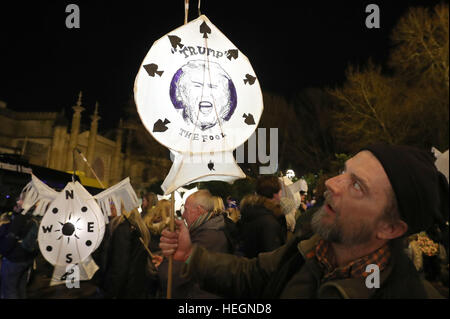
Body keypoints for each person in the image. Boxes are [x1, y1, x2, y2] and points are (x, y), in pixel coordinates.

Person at [160, 144, 448, 298]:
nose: (333, 184)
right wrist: (190, 256)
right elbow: (251, 276)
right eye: (344, 172)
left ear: (390, 228)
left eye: (357, 185)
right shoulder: (304, 251)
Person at [157, 189, 231, 298]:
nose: (183, 215)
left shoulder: (208, 238)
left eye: (186, 210)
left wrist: (165, 265)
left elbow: (177, 275)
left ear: (199, 210)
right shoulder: (207, 231)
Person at [98, 208, 159, 299]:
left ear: (121, 207)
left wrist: (111, 293)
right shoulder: (137, 227)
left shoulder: (121, 228)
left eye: (112, 203)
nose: (109, 207)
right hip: (137, 286)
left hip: (124, 290)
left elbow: (120, 266)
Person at [238, 175, 287, 258]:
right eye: (280, 190)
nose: (281, 193)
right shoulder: (269, 221)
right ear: (275, 194)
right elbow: (271, 258)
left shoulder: (250, 211)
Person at [0, 195, 39, 299]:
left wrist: (4, 252)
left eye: (20, 200)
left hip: (14, 259)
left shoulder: (20, 218)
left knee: (9, 290)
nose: (18, 201)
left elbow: (9, 240)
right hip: (27, 259)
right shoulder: (35, 218)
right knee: (21, 288)